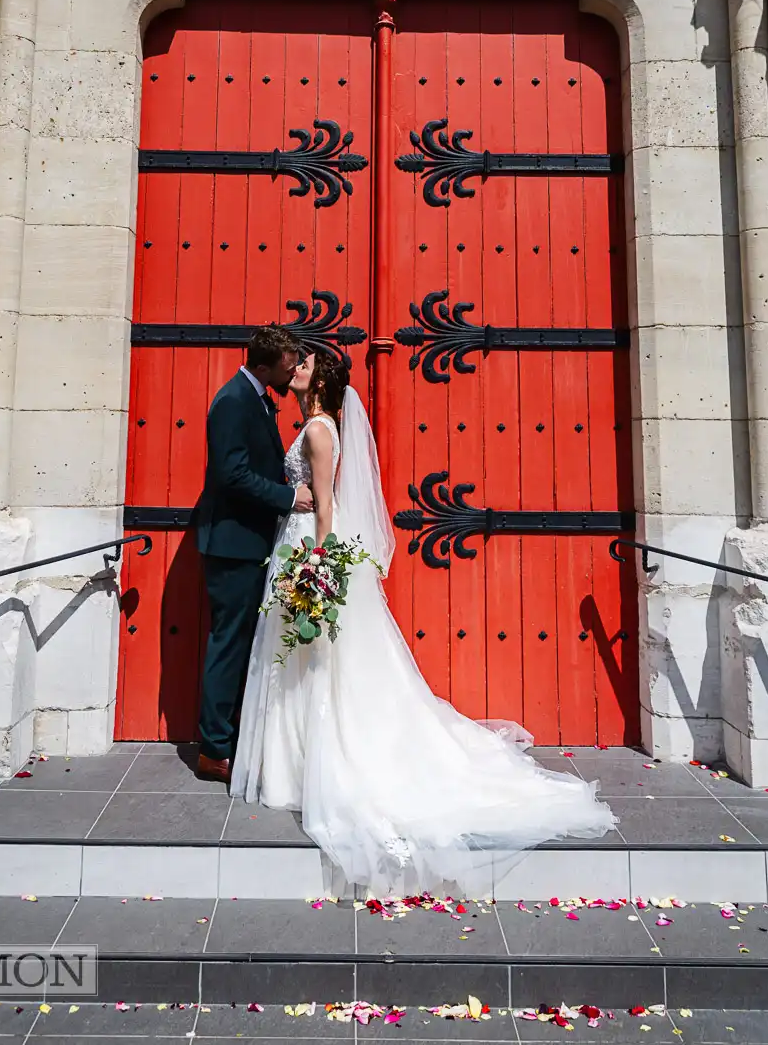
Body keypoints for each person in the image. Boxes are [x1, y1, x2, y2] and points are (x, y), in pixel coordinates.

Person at [232, 349, 617, 897]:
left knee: (315, 662)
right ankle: (293, 767)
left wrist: (316, 566)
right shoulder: (316, 424)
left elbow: (323, 509)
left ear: (321, 380)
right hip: (299, 545)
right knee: (307, 661)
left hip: (310, 547)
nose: (296, 365)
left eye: (307, 363)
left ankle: (306, 769)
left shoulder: (318, 430)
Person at [194, 326, 314, 783]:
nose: (291, 372)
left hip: (252, 544)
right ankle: (214, 750)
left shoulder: (258, 396)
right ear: (262, 366)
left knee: (243, 642)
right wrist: (288, 498)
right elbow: (233, 475)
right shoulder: (232, 402)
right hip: (233, 546)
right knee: (229, 644)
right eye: (287, 366)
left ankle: (235, 737)